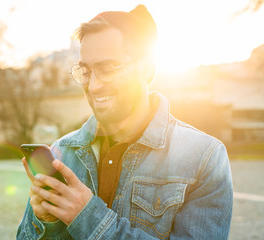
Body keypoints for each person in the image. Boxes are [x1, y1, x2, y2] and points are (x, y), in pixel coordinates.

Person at [17, 4, 233, 240]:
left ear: (147, 70)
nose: (93, 85)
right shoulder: (61, 152)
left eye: (107, 68)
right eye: (85, 71)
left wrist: (87, 217)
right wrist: (46, 223)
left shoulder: (204, 157)